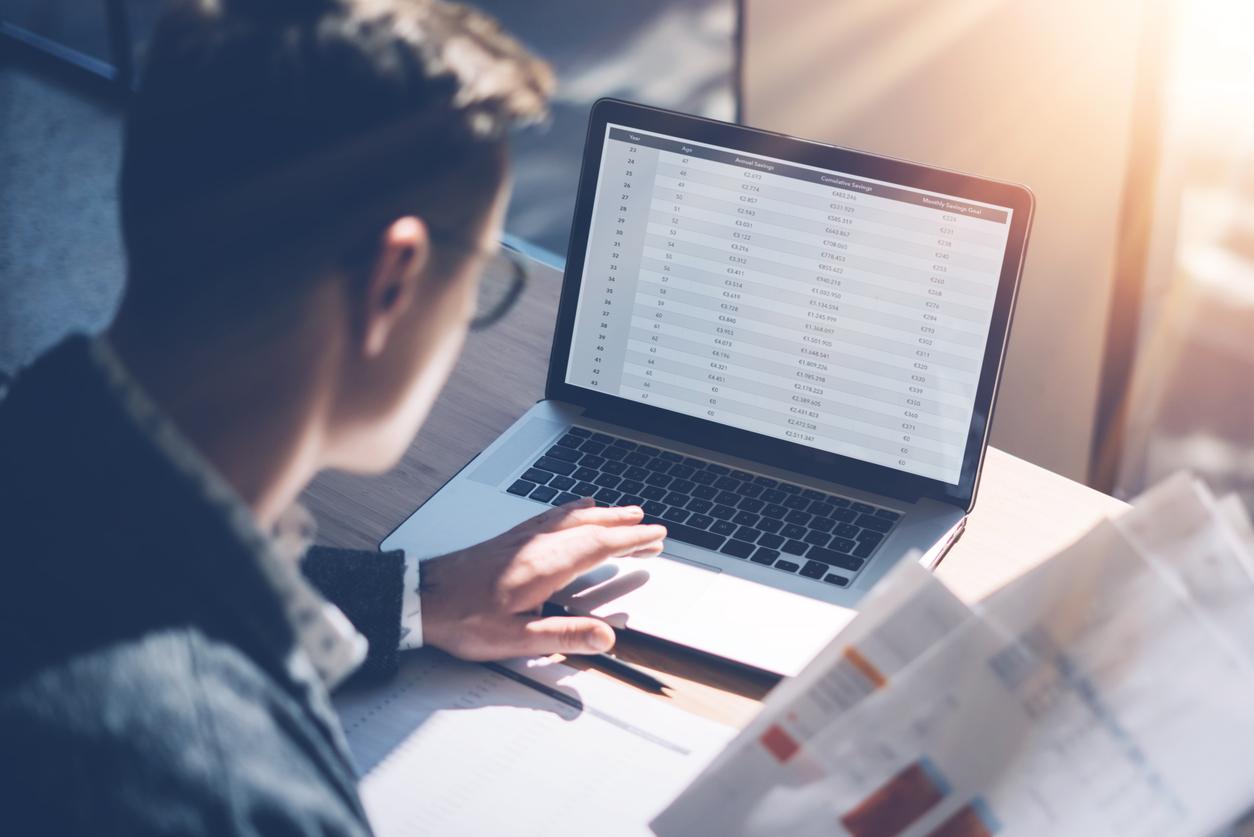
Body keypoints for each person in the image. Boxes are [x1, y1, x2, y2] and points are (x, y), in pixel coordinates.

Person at [0, 0, 666, 832]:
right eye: (482, 280)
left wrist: (414, 599)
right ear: (393, 282)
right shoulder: (225, 790)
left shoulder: (30, 432)